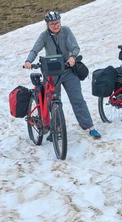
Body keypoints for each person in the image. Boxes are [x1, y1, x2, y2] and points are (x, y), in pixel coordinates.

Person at [24, 11, 101, 139]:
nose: (56, 26)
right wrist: (28, 61)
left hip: (68, 70)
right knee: (53, 102)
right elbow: (35, 49)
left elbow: (75, 47)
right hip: (51, 74)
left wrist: (72, 57)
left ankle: (90, 127)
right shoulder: (44, 36)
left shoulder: (66, 31)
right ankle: (55, 128)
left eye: (57, 23)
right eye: (52, 24)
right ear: (47, 24)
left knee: (78, 100)